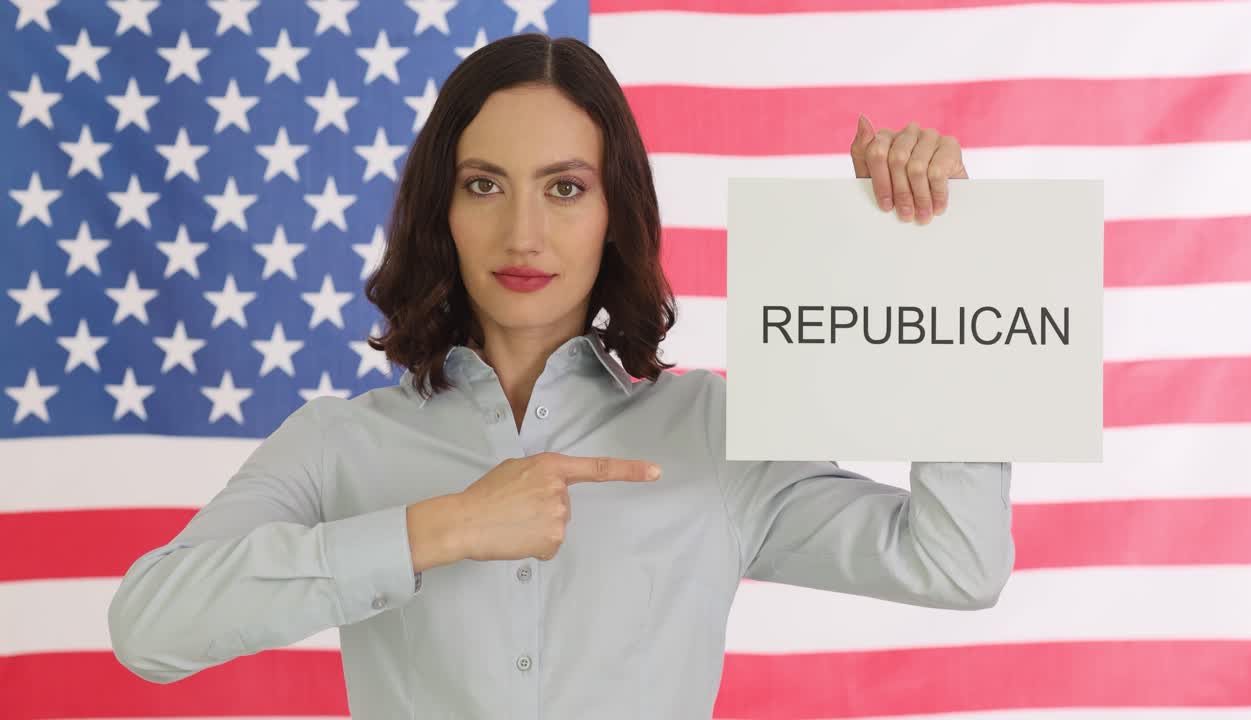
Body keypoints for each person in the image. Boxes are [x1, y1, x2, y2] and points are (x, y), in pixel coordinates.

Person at [107, 32, 1012, 719]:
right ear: (440, 209)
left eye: (566, 187)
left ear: (616, 211)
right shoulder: (339, 443)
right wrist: (442, 528)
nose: (524, 234)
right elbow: (149, 628)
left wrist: (947, 255)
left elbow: (955, 564)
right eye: (484, 185)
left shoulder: (710, 431)